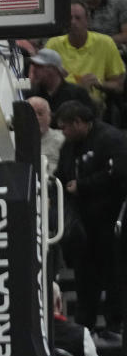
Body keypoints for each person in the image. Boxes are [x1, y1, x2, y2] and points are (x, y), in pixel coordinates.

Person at [56, 98, 127, 333]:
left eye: (65, 126)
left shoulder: (111, 138)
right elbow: (61, 173)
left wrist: (83, 185)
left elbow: (118, 174)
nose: (62, 131)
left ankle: (115, 323)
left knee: (113, 273)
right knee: (84, 276)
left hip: (110, 218)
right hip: (83, 223)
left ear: (78, 122)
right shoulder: (70, 145)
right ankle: (85, 324)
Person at [45, 0, 125, 112]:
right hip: (60, 104)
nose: (73, 22)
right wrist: (78, 89)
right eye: (69, 18)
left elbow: (119, 85)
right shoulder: (53, 44)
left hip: (92, 106)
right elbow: (45, 83)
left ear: (88, 21)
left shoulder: (105, 43)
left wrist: (99, 83)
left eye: (78, 18)